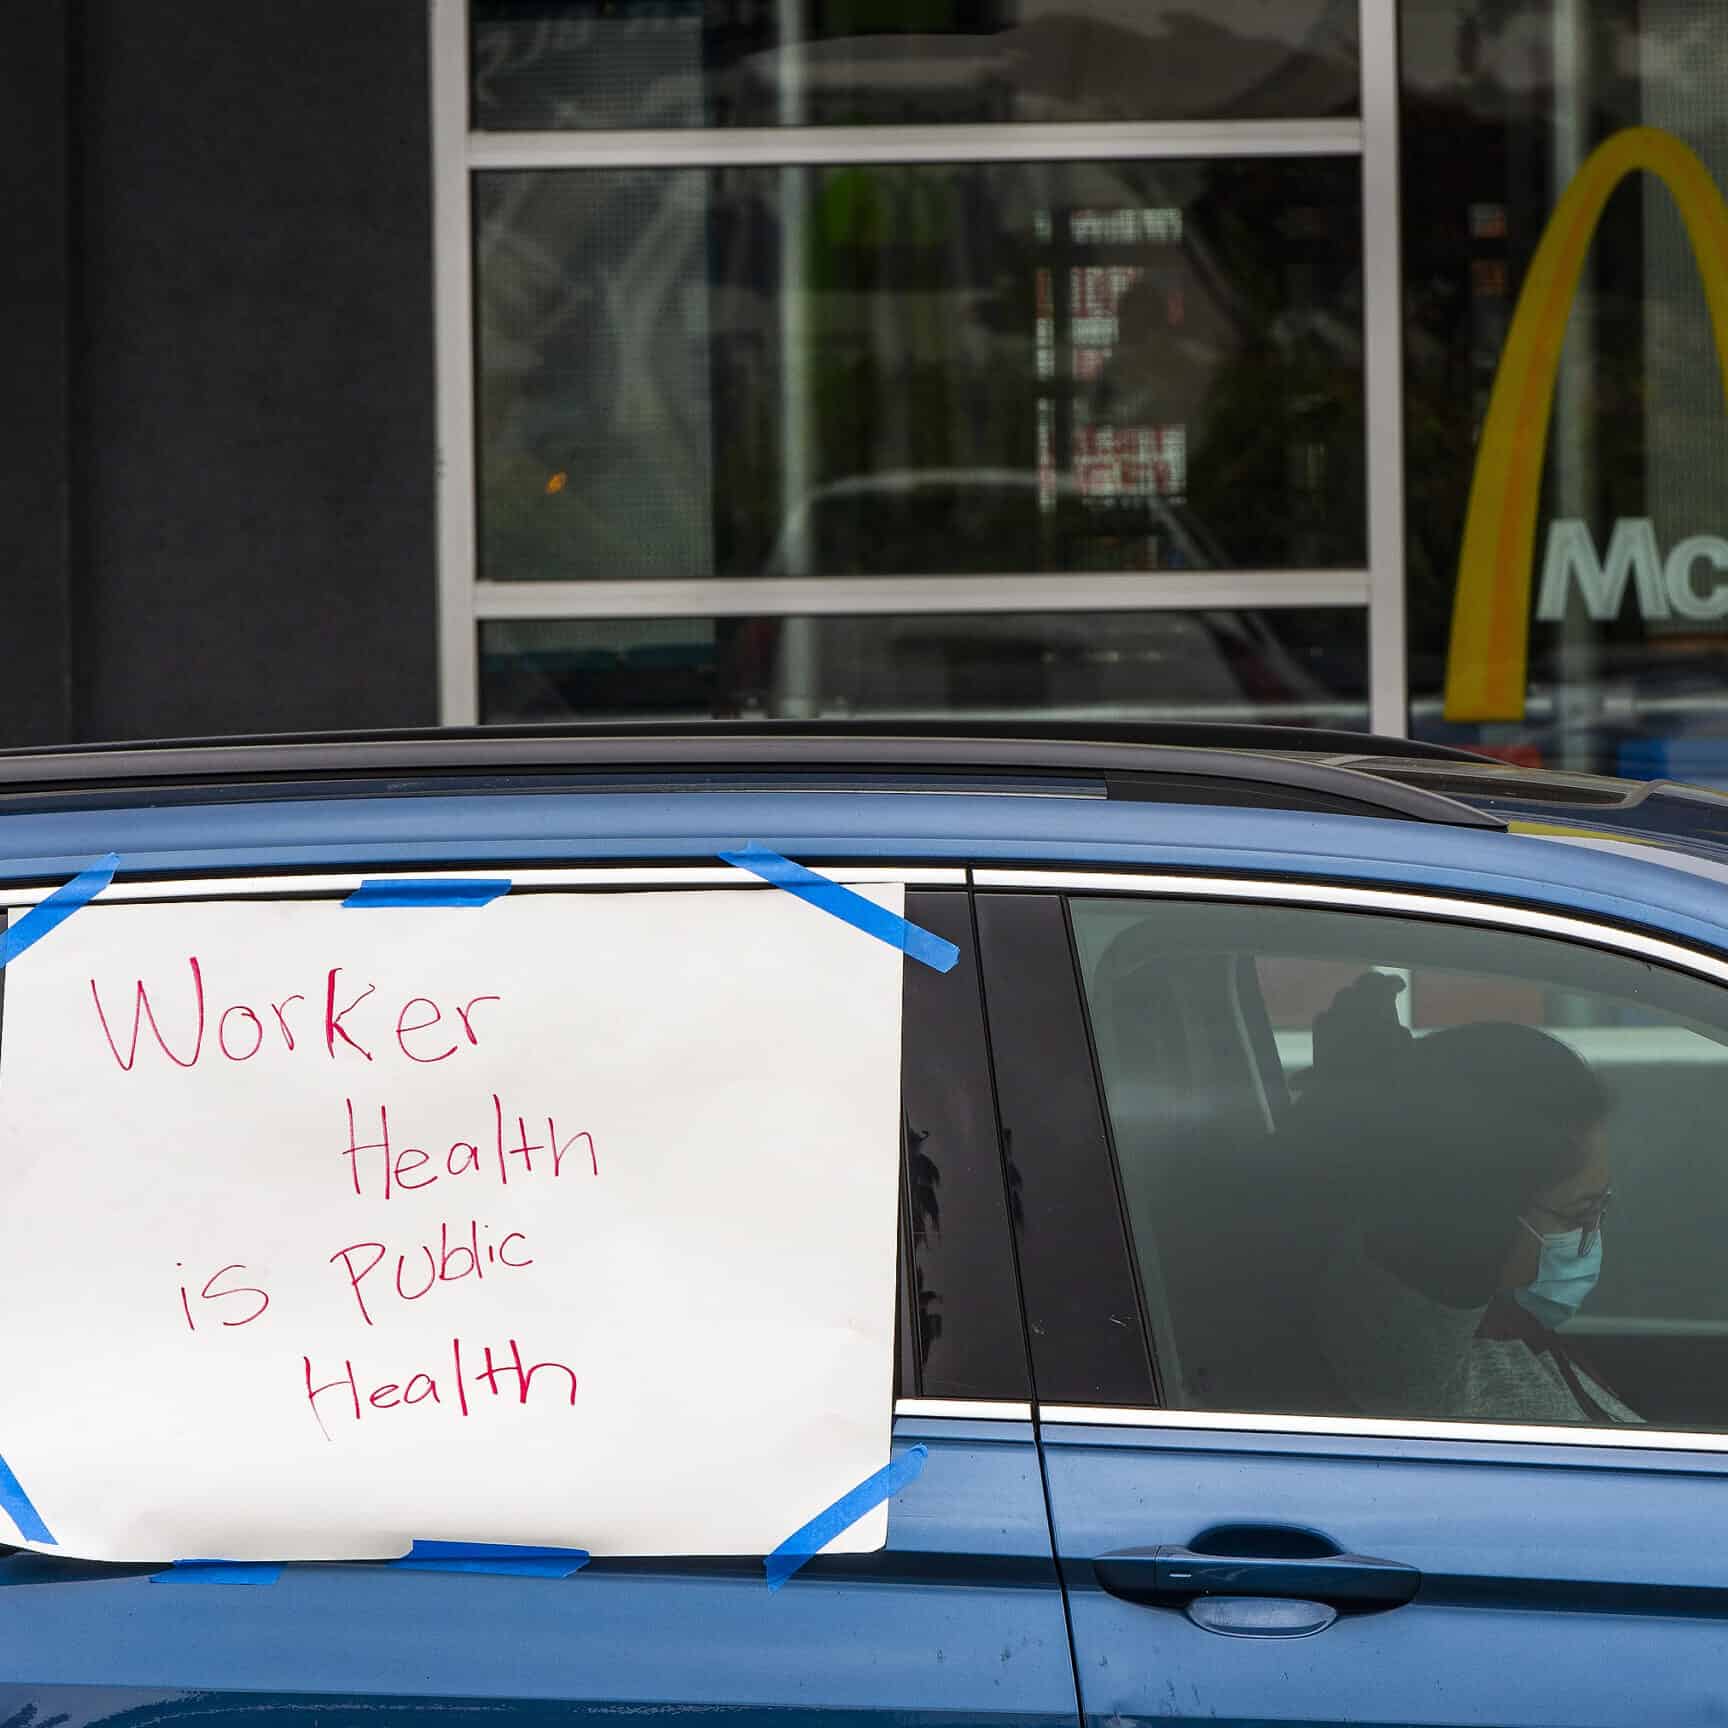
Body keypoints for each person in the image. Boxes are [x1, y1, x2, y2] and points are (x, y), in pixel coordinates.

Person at [1292, 970, 1637, 1425]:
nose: (1591, 1237)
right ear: (1489, 1208)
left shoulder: (1505, 1321)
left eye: (1601, 1207)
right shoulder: (1414, 1372)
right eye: (1579, 1214)